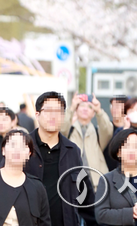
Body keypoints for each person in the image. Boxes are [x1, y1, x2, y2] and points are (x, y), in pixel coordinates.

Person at [25, 91, 97, 226]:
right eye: (48, 110)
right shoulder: (22, 146)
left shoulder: (72, 151)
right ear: (37, 115)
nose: (53, 116)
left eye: (58, 111)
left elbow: (85, 196)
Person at [62, 94, 113, 187]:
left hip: (96, 185)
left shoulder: (98, 133)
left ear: (93, 113)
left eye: (90, 107)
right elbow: (60, 128)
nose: (85, 109)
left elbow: (108, 130)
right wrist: (71, 108)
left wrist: (99, 110)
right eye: (82, 105)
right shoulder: (69, 131)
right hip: (72, 184)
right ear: (76, 110)